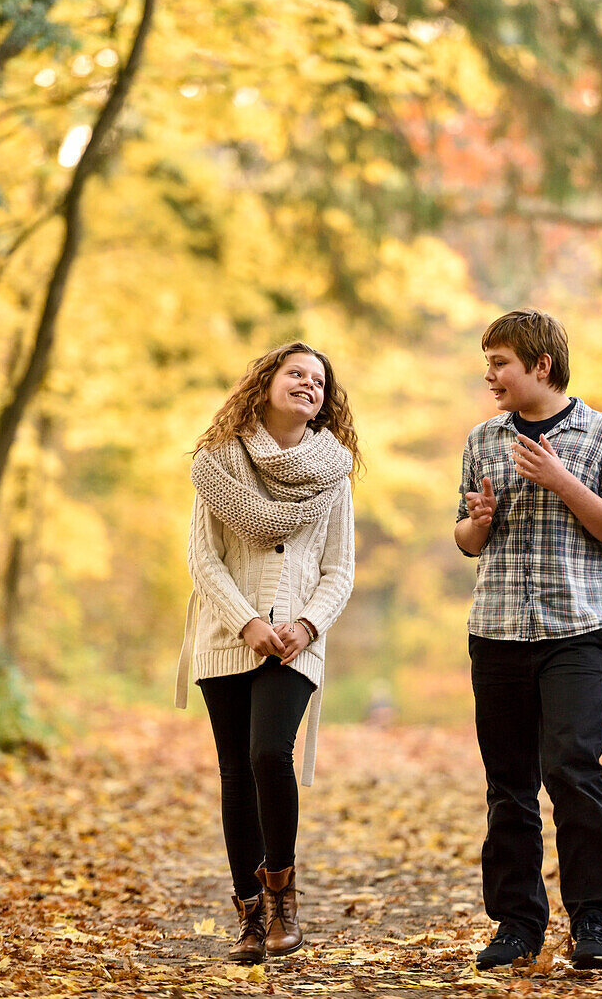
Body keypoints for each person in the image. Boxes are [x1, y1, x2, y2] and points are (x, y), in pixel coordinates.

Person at [454, 309, 602, 972]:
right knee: (508, 784)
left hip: (576, 630)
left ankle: (595, 920)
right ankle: (516, 925)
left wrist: (562, 481)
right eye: (487, 361)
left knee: (572, 769)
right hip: (497, 629)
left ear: (541, 365)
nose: (490, 374)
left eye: (500, 361)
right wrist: (476, 523)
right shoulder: (482, 440)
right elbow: (466, 539)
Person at [175, 341, 359, 963]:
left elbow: (340, 569)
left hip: (298, 643)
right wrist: (247, 622)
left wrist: (306, 627)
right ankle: (250, 917)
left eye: (319, 381)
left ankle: (282, 893)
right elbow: (203, 558)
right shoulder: (219, 463)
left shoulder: (333, 471)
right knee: (235, 773)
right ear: (267, 382)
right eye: (296, 373)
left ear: (324, 402)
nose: (308, 384)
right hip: (227, 638)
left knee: (268, 753)